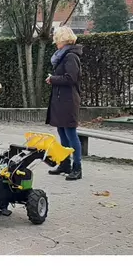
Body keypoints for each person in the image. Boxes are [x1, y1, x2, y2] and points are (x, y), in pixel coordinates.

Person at [45, 26, 84, 181]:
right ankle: (65, 163)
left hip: (68, 100)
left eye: (57, 40)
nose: (55, 43)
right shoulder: (64, 55)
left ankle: (77, 167)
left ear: (63, 40)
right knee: (62, 132)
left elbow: (71, 78)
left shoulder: (70, 57)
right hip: (61, 99)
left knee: (71, 134)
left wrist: (53, 79)